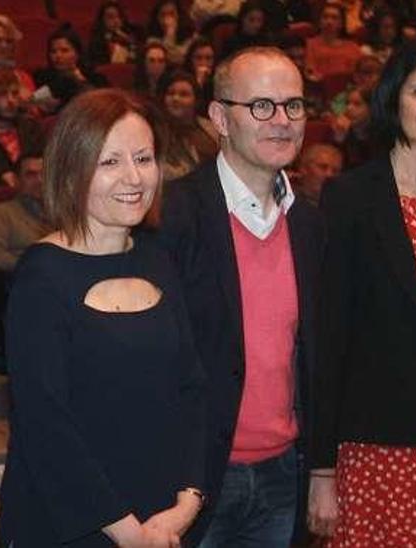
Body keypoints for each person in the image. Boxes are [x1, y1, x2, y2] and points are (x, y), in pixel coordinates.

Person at [0, 88, 206, 548]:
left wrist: (186, 504)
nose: (134, 177)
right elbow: (43, 421)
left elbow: (192, 391)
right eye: (110, 162)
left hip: (162, 519)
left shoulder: (159, 260)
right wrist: (126, 531)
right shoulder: (41, 275)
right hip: (74, 523)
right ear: (73, 169)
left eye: (144, 158)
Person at [308, 31, 416, 547]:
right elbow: (330, 338)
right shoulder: (351, 198)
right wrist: (321, 470)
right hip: (381, 446)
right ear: (394, 99)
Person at [157, 46, 324, 547]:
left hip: (283, 473)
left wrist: (322, 468)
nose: (282, 121)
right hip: (192, 478)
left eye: (293, 105)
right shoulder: (170, 216)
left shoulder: (312, 222)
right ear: (219, 118)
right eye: (261, 106)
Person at [0, 153, 48, 271]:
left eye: (44, 174)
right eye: (31, 175)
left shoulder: (63, 213)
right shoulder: (2, 214)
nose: (39, 180)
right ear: (16, 180)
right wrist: (34, 266)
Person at [155, 71, 218, 182]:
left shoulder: (211, 126)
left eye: (183, 94)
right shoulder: (158, 133)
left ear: (196, 100)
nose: (175, 98)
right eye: (170, 93)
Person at [32, 28, 106, 113]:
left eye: (64, 50)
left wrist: (79, 79)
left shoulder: (94, 77)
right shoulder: (41, 77)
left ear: (77, 54)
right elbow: (37, 103)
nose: (58, 56)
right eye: (53, 51)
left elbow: (102, 104)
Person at [305, 3, 362, 80]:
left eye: (334, 18)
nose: (329, 21)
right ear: (319, 21)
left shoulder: (353, 48)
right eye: (325, 17)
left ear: (341, 23)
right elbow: (310, 72)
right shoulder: (309, 45)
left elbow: (357, 74)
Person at [88, 0, 142, 66]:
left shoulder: (130, 37)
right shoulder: (96, 42)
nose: (116, 21)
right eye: (110, 17)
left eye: (119, 17)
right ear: (102, 20)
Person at [146, 0, 195, 65]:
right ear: (157, 18)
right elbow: (165, 60)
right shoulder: (152, 39)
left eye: (172, 14)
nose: (167, 19)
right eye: (163, 15)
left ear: (179, 15)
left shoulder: (190, 36)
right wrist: (169, 35)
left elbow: (183, 59)